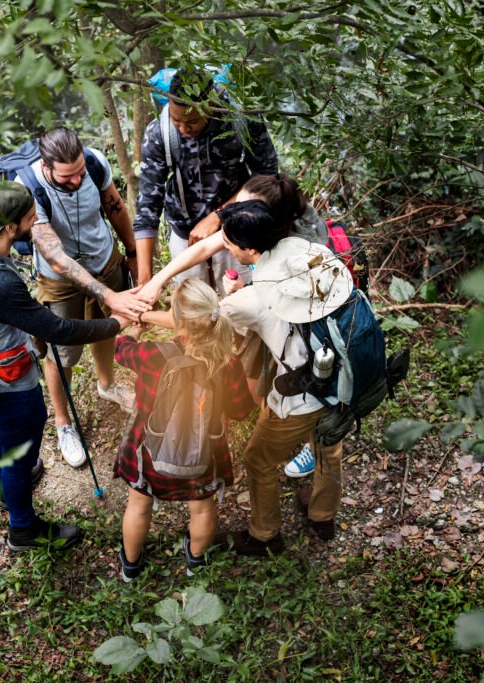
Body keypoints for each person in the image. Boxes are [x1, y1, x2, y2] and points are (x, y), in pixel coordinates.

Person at [0, 182, 134, 552]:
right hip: (11, 385)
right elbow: (58, 329)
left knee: (2, 435)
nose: (35, 220)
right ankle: (23, 529)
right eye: (29, 217)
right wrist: (117, 323)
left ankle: (3, 481)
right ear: (9, 228)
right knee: (20, 453)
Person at [137, 173, 328, 477]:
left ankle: (313, 438)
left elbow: (198, 320)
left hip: (295, 316)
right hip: (256, 298)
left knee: (302, 372)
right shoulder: (252, 229)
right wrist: (158, 280)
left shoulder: (296, 252)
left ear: (267, 223)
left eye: (243, 208)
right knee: (255, 370)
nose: (233, 214)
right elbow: (204, 249)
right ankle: (269, 410)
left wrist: (143, 315)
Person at [214, 200, 353, 556]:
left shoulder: (251, 299)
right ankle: (323, 515)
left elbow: (208, 322)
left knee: (258, 459)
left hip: (301, 394)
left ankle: (264, 535)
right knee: (328, 447)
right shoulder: (311, 257)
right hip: (344, 377)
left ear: (249, 249)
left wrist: (232, 297)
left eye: (228, 243)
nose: (225, 247)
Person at [18, 127, 152, 468]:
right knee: (62, 353)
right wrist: (110, 294)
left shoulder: (93, 161)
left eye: (80, 173)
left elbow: (115, 206)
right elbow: (56, 257)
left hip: (104, 260)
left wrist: (133, 251)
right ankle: (63, 423)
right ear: (46, 166)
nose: (77, 181)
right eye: (67, 178)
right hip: (60, 281)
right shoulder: (29, 189)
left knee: (106, 327)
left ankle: (107, 385)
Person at [112, 280, 254, 581]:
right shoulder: (226, 363)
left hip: (149, 448)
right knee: (202, 508)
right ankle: (195, 563)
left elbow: (120, 350)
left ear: (178, 323)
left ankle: (131, 567)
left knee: (138, 504)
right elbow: (242, 411)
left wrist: (135, 331)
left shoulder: (153, 355)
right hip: (204, 450)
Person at [133, 67, 279, 293]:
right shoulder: (159, 132)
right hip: (184, 234)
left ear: (211, 106)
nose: (182, 128)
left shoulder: (241, 121)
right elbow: (147, 207)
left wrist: (219, 215)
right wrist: (145, 280)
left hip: (237, 230)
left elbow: (268, 178)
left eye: (191, 121)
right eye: (175, 119)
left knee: (243, 308)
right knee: (194, 314)